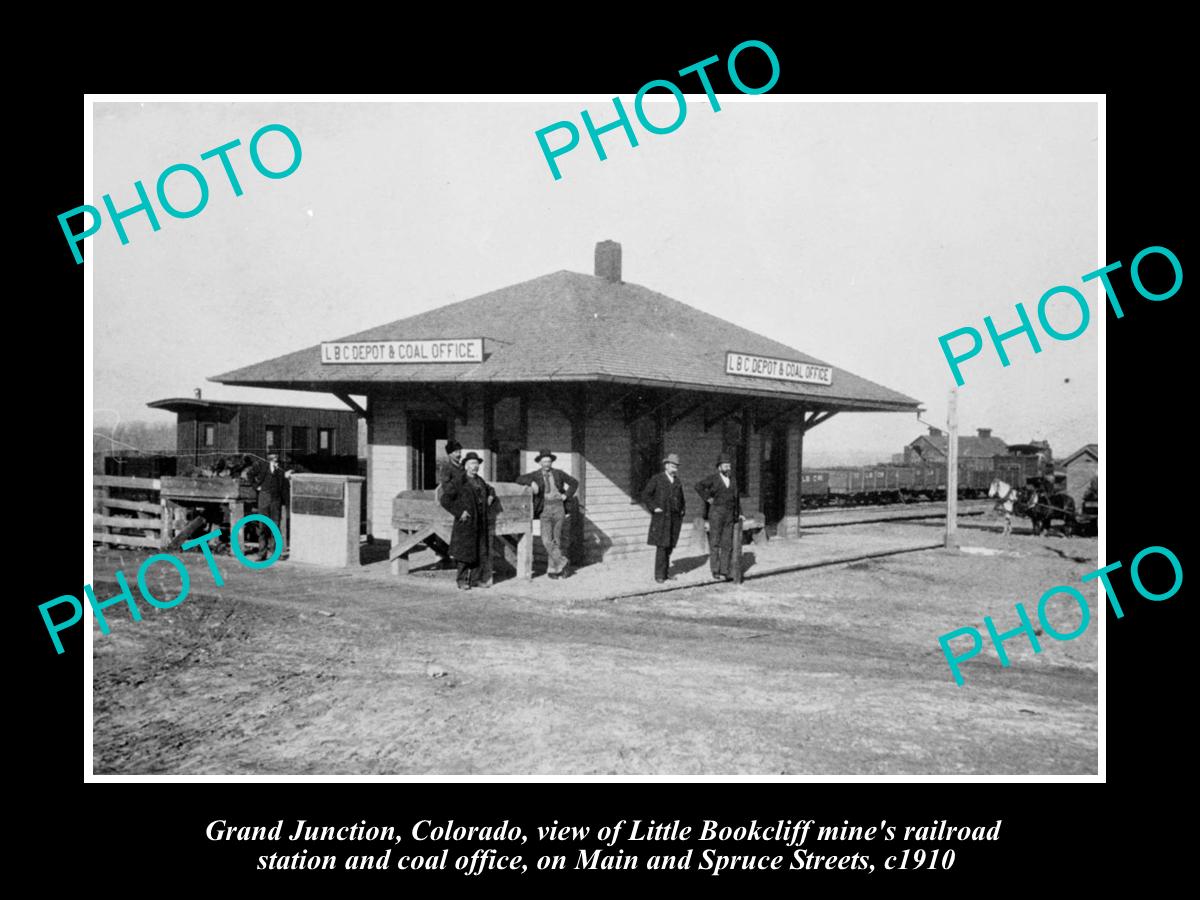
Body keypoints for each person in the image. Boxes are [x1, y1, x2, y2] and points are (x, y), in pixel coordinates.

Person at [516, 449, 579, 579]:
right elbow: (519, 478)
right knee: (546, 540)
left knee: (556, 540)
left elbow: (574, 483)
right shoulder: (535, 475)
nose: (546, 464)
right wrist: (531, 483)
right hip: (545, 508)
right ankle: (562, 561)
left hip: (559, 507)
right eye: (544, 461)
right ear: (539, 462)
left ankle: (553, 570)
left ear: (551, 462)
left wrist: (566, 495)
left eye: (548, 461)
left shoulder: (558, 473)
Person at [439, 451, 495, 589]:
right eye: (471, 464)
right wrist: (459, 512)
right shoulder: (459, 481)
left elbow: (490, 489)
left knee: (479, 551)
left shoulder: (479, 481)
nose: (474, 467)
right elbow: (445, 499)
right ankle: (461, 580)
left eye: (476, 464)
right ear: (465, 466)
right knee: (464, 553)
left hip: (479, 521)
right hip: (466, 523)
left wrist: (491, 496)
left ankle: (475, 580)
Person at [695, 453, 744, 580]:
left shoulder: (733, 480)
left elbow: (737, 498)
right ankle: (715, 570)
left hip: (729, 514)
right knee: (715, 542)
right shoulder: (713, 479)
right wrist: (708, 498)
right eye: (725, 465)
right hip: (716, 513)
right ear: (719, 467)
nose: (728, 467)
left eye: (729, 465)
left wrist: (740, 513)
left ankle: (724, 570)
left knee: (727, 544)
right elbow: (698, 486)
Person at [640, 453, 686, 583]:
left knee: (670, 545)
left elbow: (682, 498)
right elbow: (646, 495)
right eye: (672, 466)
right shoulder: (657, 479)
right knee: (662, 546)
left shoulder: (677, 481)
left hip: (674, 518)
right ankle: (659, 575)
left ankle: (666, 573)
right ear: (666, 466)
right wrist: (654, 508)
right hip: (662, 518)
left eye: (676, 467)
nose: (675, 469)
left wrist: (682, 510)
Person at [250, 452, 291, 560]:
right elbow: (250, 474)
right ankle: (261, 553)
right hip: (264, 497)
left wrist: (287, 474)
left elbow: (286, 476)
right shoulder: (262, 466)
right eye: (273, 458)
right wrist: (256, 487)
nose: (275, 460)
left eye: (277, 458)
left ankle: (274, 553)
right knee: (263, 525)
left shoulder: (281, 468)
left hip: (276, 499)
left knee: (275, 525)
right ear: (269, 459)